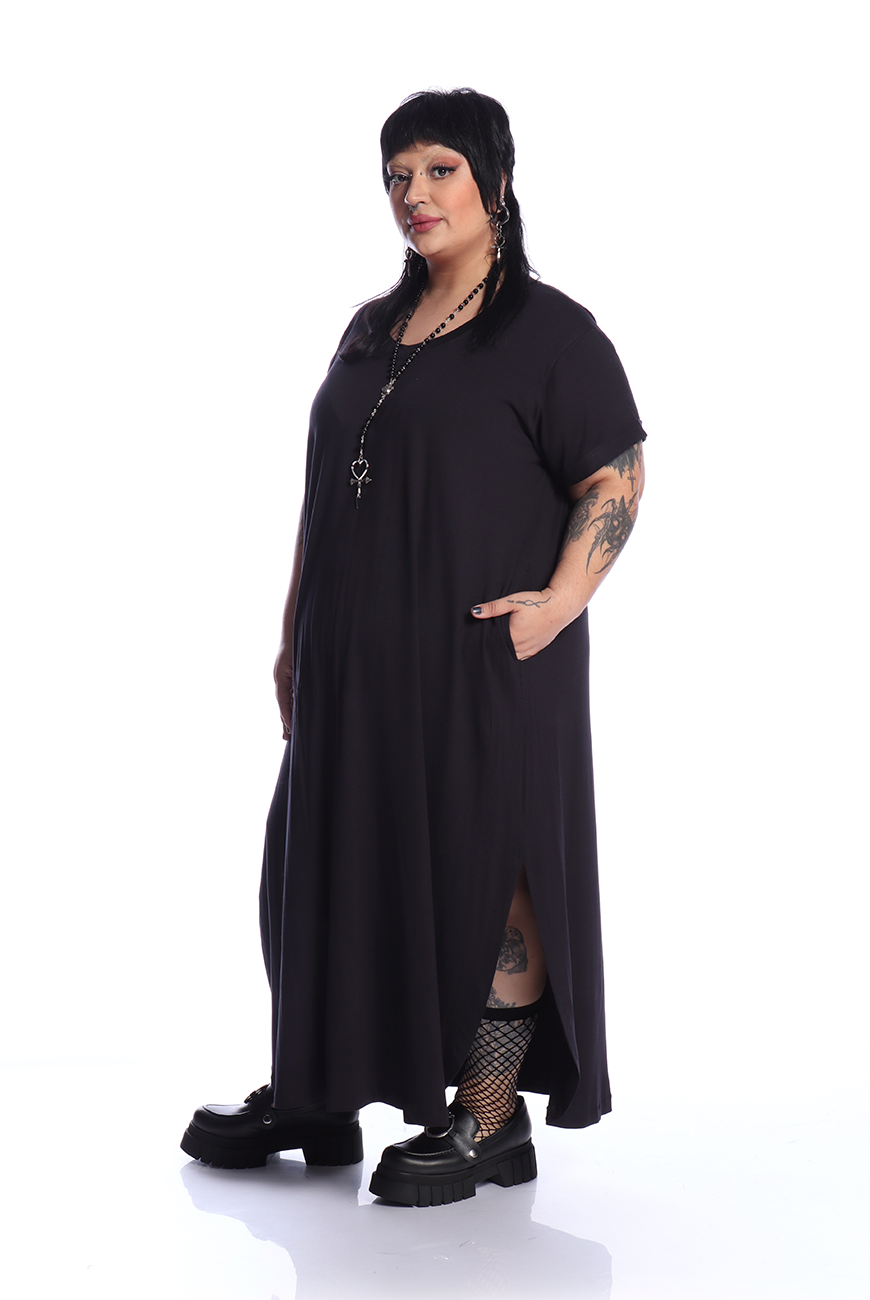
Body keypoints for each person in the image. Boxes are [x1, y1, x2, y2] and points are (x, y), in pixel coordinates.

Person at [181, 87, 647, 1208]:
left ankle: (489, 1115)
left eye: (440, 170)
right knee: (321, 861)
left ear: (496, 181)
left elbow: (616, 475)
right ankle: (317, 1091)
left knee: (493, 868)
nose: (414, 194)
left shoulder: (552, 334)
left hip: (485, 662)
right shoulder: (369, 328)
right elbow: (322, 495)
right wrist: (293, 635)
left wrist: (559, 604)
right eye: (397, 174)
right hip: (350, 663)